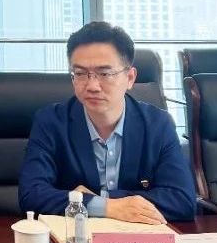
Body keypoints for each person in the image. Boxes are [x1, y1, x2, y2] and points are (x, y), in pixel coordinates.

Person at [18, 21, 196, 222]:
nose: (92, 86)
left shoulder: (158, 125)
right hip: (75, 237)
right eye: (80, 73)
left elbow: (182, 200)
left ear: (130, 78)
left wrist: (102, 201)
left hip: (137, 238)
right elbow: (31, 195)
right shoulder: (51, 122)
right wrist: (108, 207)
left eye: (105, 74)